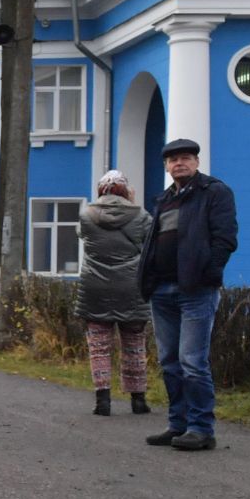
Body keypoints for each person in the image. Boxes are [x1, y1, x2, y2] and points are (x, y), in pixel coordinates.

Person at [136, 138, 238, 452]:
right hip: (163, 291)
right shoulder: (164, 199)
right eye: (172, 160)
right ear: (166, 167)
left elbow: (225, 238)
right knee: (169, 362)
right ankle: (177, 424)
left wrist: (209, 271)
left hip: (195, 289)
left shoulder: (214, 192)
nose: (178, 164)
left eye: (185, 158)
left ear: (195, 162)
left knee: (192, 361)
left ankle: (201, 428)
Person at [76, 169, 154, 417]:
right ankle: (138, 400)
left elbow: (82, 235)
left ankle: (103, 401)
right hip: (131, 286)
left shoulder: (87, 214)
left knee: (99, 346)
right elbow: (149, 240)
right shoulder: (141, 215)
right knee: (134, 345)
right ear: (125, 190)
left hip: (95, 288)